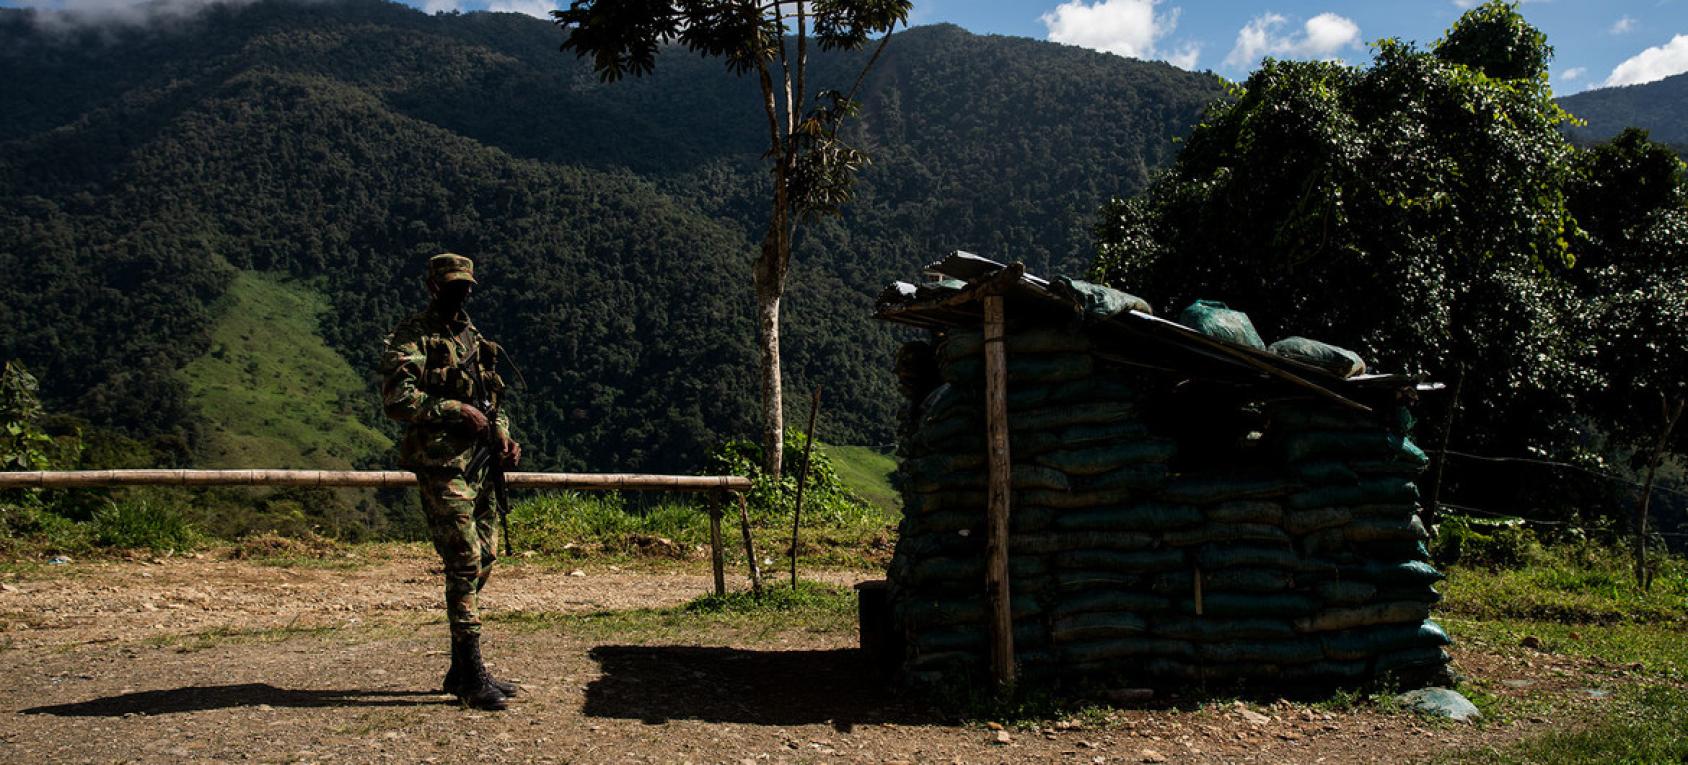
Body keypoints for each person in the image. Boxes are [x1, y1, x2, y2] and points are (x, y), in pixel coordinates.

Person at [379, 253, 523, 710]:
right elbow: (398, 400)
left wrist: (503, 436)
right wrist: (453, 410)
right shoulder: (412, 336)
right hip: (442, 463)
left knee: (486, 554)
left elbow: (490, 397)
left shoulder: (473, 337)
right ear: (432, 287)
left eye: (465, 285)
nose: (459, 292)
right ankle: (472, 671)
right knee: (463, 559)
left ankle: (461, 669)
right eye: (451, 285)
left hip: (480, 464)